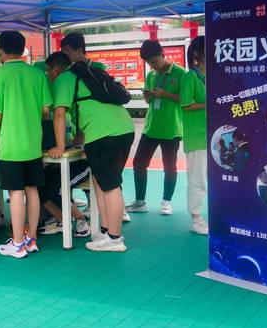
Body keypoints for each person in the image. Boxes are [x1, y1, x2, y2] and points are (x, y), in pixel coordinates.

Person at [50, 32, 135, 252]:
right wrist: (81, 138)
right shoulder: (95, 71)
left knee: (111, 185)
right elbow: (86, 108)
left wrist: (60, 146)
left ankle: (115, 239)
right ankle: (106, 231)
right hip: (124, 128)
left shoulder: (66, 78)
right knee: (101, 181)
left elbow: (59, 114)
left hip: (104, 135)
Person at [0, 31, 52, 258]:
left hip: (10, 144)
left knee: (15, 193)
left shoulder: (0, 74)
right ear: (23, 49)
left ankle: (18, 243)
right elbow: (45, 109)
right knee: (32, 190)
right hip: (33, 143)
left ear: (1, 50)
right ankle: (31, 239)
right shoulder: (37, 74)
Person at [127, 40, 187, 216]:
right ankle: (140, 202)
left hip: (171, 129)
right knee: (139, 163)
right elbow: (149, 101)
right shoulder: (151, 75)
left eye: (154, 62)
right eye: (149, 63)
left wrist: (165, 94)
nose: (152, 66)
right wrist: (148, 96)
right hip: (151, 128)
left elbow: (186, 99)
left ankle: (166, 202)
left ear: (162, 54)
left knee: (170, 167)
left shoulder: (181, 73)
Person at [38, 52, 93, 237]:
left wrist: (65, 147)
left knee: (59, 188)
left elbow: (74, 123)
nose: (48, 75)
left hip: (84, 161)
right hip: (67, 160)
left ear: (56, 70)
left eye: (48, 71)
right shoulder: (68, 102)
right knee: (39, 186)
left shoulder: (67, 99)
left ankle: (81, 220)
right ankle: (63, 221)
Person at [180, 36, 209, 235]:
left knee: (214, 178)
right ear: (198, 54)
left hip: (215, 135)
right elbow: (186, 104)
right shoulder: (190, 77)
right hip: (197, 137)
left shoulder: (214, 75)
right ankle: (196, 218)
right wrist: (210, 104)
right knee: (198, 178)